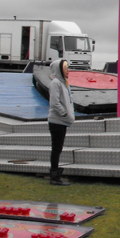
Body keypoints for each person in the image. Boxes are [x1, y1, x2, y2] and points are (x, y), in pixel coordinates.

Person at [47, 58, 75, 186]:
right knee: (56, 148)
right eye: (65, 68)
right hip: (57, 121)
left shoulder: (64, 83)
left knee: (58, 148)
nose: (67, 70)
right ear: (59, 70)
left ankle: (55, 174)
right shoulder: (56, 83)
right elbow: (54, 102)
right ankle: (54, 176)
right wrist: (64, 113)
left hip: (62, 121)